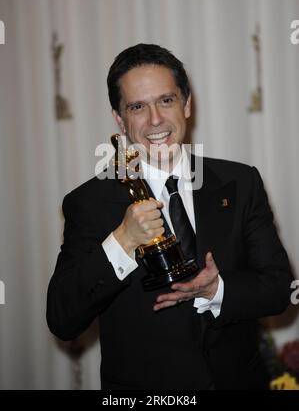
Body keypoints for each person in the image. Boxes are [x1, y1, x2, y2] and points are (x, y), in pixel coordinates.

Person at [47, 43, 293, 390]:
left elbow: (279, 288)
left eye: (166, 100)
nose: (156, 120)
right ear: (119, 119)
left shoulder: (240, 182)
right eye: (137, 106)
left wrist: (216, 289)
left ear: (187, 104)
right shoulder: (89, 202)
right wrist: (123, 240)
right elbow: (62, 318)